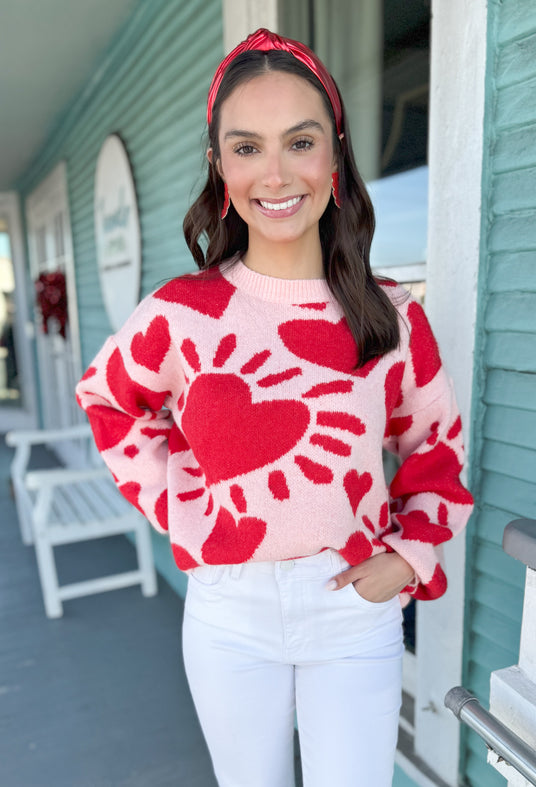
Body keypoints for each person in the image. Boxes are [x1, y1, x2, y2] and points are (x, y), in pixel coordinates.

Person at [76, 28, 473, 787]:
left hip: (353, 608)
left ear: (334, 154)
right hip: (231, 615)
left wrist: (410, 557)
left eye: (300, 140)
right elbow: (110, 402)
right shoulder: (180, 313)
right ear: (220, 166)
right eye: (247, 147)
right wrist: (182, 509)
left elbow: (438, 448)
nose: (277, 171)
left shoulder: (386, 314)